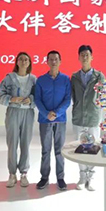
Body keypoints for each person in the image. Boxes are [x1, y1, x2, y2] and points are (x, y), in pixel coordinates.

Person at [0, 52, 37, 188]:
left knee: (25, 143)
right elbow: (0, 96)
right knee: (12, 143)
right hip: (13, 112)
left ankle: (24, 173)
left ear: (29, 62)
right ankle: (12, 173)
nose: (23, 61)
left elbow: (39, 96)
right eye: (21, 59)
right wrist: (12, 99)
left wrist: (31, 100)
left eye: (26, 59)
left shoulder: (33, 80)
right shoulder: (9, 78)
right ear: (17, 62)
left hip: (28, 113)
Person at [34, 50, 71, 191]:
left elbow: (67, 99)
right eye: (51, 59)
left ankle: (60, 178)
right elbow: (37, 99)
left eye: (56, 59)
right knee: (45, 150)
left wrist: (56, 113)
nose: (53, 61)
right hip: (45, 120)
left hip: (60, 120)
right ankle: (44, 177)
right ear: (47, 61)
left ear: (60, 61)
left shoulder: (66, 79)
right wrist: (46, 114)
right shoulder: (41, 80)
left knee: (59, 150)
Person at [71, 45, 105, 191]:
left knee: (93, 147)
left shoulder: (99, 76)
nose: (85, 57)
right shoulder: (74, 77)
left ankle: (91, 177)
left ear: (92, 57)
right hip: (78, 117)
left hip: (93, 117)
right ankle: (82, 177)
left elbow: (103, 96)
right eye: (82, 55)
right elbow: (73, 96)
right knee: (80, 147)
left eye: (87, 55)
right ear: (78, 57)